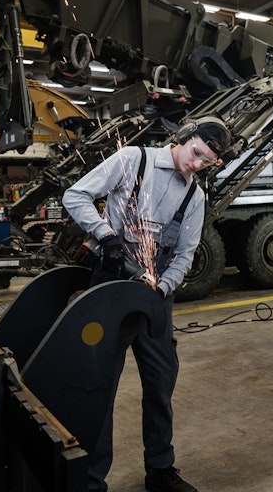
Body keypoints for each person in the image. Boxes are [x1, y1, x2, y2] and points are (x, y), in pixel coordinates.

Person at [61, 116, 232, 492]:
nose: (196, 165)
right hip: (110, 287)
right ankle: (92, 479)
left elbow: (186, 254)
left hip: (154, 297)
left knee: (160, 381)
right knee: (100, 385)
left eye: (206, 162)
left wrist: (161, 289)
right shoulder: (133, 159)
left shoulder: (194, 196)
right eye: (196, 153)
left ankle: (160, 468)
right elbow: (74, 195)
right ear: (185, 137)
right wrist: (105, 235)